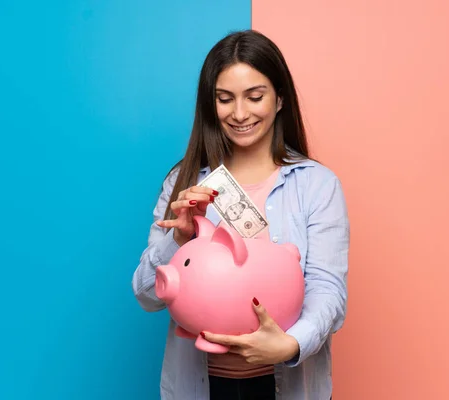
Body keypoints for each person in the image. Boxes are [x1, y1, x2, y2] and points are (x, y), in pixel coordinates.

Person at [132, 29, 350, 400]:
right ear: (210, 104)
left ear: (280, 99)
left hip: (286, 384)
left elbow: (328, 290)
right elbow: (147, 295)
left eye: (255, 96)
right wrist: (179, 239)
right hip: (201, 385)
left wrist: (291, 345)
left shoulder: (317, 184)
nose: (239, 113)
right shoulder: (183, 182)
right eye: (225, 99)